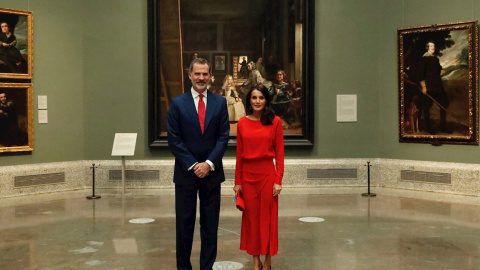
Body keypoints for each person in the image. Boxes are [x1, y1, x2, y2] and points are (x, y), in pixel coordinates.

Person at [167, 58, 230, 270]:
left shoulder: (220, 102)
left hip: (212, 173)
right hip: (186, 174)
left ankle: (207, 267)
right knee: (184, 225)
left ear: (210, 76)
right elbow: (174, 139)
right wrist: (195, 165)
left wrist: (209, 163)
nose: (201, 78)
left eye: (205, 74)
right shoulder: (177, 103)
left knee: (210, 225)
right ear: (189, 75)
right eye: (197, 74)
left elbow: (223, 137)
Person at [233, 84, 284, 270]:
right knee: (252, 221)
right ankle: (256, 263)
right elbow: (239, 154)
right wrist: (237, 181)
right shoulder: (242, 123)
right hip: (248, 177)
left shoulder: (275, 121)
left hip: (267, 177)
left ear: (266, 101)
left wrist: (278, 180)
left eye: (261, 98)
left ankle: (268, 261)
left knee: (268, 221)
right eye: (254, 98)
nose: (257, 101)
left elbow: (280, 154)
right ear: (249, 101)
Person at [418, 40, 451, 134]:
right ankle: (429, 128)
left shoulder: (435, 59)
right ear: (427, 48)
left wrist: (441, 71)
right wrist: (424, 87)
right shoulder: (424, 59)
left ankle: (443, 126)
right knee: (427, 106)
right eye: (431, 46)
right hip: (429, 86)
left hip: (438, 85)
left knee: (444, 103)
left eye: (434, 46)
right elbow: (421, 74)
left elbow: (439, 69)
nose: (433, 47)